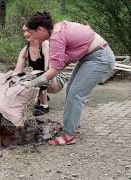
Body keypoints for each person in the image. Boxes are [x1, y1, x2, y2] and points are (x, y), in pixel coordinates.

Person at [23, 11, 115, 145]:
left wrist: (32, 84)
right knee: (71, 89)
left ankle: (69, 135)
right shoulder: (57, 30)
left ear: (40, 29)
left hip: (100, 58)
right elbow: (61, 62)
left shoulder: (56, 36)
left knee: (76, 94)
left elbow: (54, 71)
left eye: (32, 32)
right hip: (90, 56)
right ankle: (72, 125)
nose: (31, 36)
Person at [14, 25, 66, 116]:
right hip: (41, 80)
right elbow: (16, 73)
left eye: (28, 30)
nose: (25, 34)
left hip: (56, 79)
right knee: (20, 78)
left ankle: (44, 105)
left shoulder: (45, 44)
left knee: (35, 73)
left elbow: (48, 70)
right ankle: (39, 97)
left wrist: (31, 78)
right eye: (24, 31)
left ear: (35, 30)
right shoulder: (25, 50)